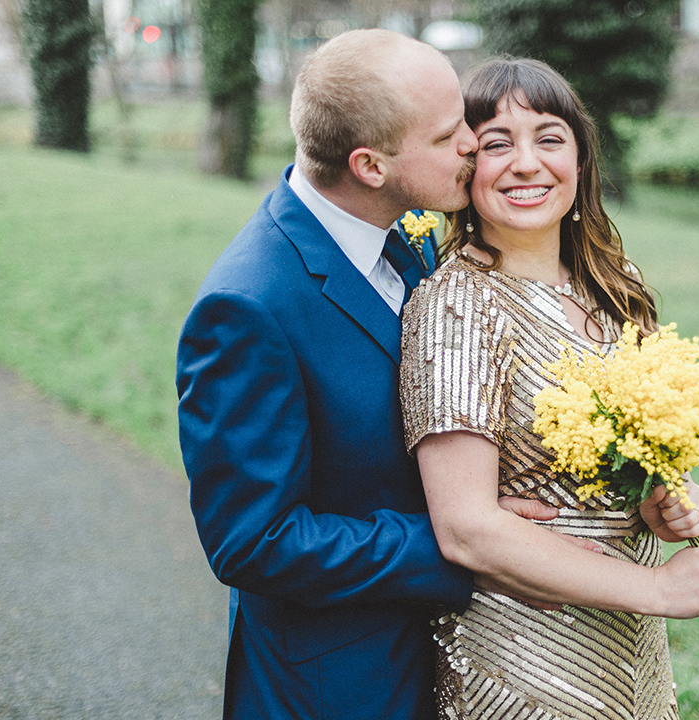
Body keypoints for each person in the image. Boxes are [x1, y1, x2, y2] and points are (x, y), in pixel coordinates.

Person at [176, 31, 575, 720]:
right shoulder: (246, 308)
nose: (473, 147)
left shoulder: (412, 238)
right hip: (342, 684)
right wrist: (458, 542)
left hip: (465, 659)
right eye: (451, 135)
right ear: (370, 164)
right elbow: (254, 543)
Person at [400, 58, 699, 720]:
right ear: (465, 166)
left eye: (549, 138)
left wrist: (667, 501)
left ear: (581, 158)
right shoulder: (456, 304)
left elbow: (626, 462)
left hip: (631, 647)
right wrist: (658, 588)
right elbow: (466, 528)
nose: (526, 163)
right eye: (496, 143)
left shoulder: (615, 286)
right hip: (521, 656)